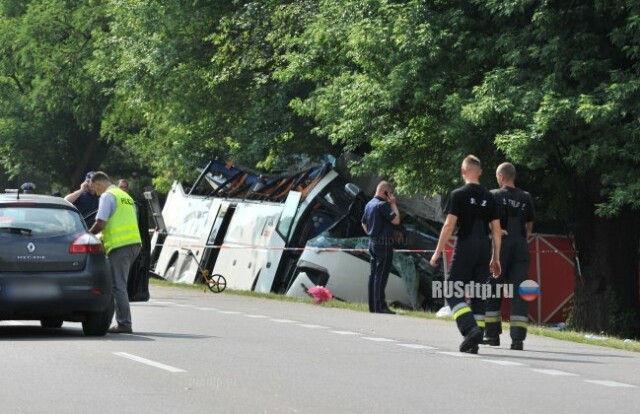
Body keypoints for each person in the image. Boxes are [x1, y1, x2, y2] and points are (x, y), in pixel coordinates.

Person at [430, 155, 502, 354]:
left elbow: (449, 226)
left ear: (463, 172)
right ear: (479, 171)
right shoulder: (489, 197)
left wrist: (437, 252)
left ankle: (469, 329)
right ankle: (474, 341)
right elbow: (496, 230)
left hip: (466, 244)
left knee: (452, 290)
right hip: (484, 246)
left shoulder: (458, 194)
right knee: (479, 294)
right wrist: (496, 258)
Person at [483, 162, 535, 351]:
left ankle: (491, 335)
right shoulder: (526, 197)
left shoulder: (493, 196)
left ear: (500, 176)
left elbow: (487, 222)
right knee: (519, 292)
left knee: (493, 289)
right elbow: (529, 226)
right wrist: (521, 239)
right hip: (520, 247)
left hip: (500, 246)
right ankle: (517, 340)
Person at [89, 171, 142, 334]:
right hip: (133, 243)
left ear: (98, 184)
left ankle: (124, 324)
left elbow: (101, 222)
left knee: (118, 286)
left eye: (95, 189)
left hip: (120, 245)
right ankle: (111, 321)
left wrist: (88, 234)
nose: (96, 193)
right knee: (117, 284)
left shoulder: (107, 196)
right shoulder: (125, 196)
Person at [361, 181, 401, 314]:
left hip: (372, 243)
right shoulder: (382, 205)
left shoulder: (369, 204)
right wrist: (393, 204)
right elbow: (396, 220)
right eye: (390, 194)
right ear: (386, 192)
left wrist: (372, 234)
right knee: (381, 275)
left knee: (373, 274)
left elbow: (363, 223)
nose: (391, 196)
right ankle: (380, 306)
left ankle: (373, 306)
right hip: (384, 245)